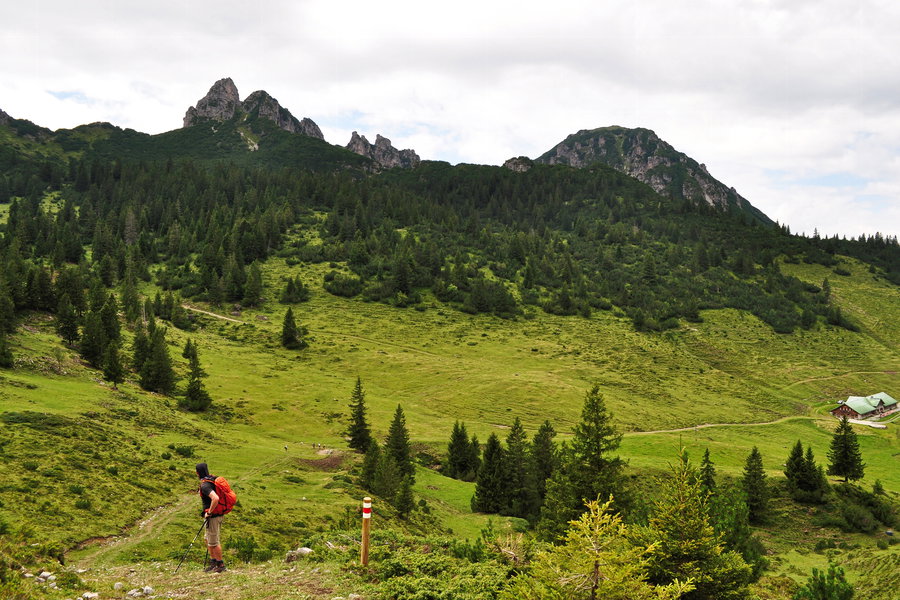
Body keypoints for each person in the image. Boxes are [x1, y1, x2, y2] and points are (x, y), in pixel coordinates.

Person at [196, 462, 227, 573]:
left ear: (197, 472)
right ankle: (213, 562)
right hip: (217, 515)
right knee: (208, 539)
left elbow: (215, 498)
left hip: (213, 517)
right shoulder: (212, 480)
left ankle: (220, 565)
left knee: (213, 542)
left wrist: (209, 512)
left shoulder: (205, 485)